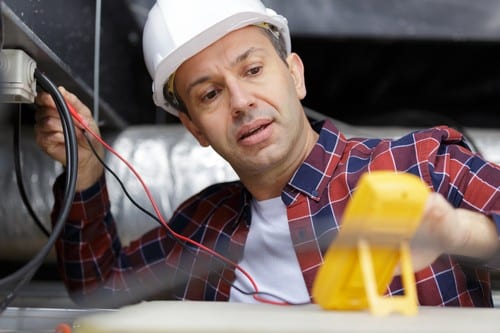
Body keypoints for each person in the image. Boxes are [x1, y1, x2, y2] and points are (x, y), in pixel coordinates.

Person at [35, 0, 500, 308]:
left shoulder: (420, 165)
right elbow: (100, 289)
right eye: (210, 94)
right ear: (194, 127)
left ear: (295, 76)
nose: (241, 102)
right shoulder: (200, 226)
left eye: (253, 69)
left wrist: (459, 232)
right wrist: (87, 172)